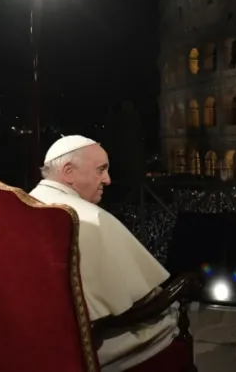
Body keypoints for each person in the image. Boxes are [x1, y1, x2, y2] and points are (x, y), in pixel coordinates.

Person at [30, 135, 177, 371]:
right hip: (79, 349)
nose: (107, 180)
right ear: (68, 172)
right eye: (101, 170)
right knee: (171, 316)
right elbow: (145, 297)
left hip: (32, 342)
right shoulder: (90, 217)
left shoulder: (22, 206)